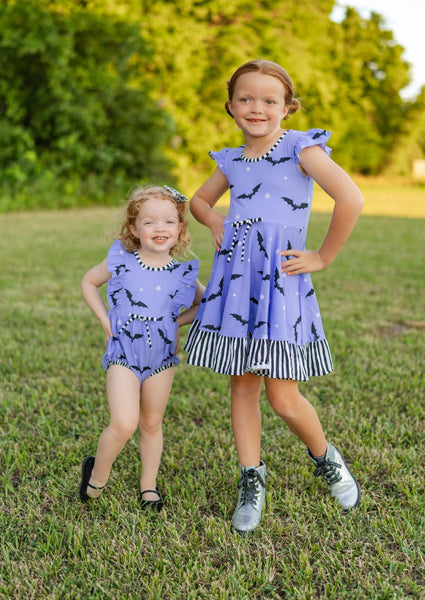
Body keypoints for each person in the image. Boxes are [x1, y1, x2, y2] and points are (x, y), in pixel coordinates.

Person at [185, 59, 364, 533]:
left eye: (269, 100)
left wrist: (323, 256)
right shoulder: (230, 161)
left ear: (287, 107)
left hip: (279, 285)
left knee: (283, 397)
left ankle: (325, 458)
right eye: (246, 98)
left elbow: (350, 198)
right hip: (237, 286)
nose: (256, 107)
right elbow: (197, 201)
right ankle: (251, 476)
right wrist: (214, 220)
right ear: (231, 106)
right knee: (242, 384)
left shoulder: (299, 148)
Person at [79, 184, 205, 511]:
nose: (159, 229)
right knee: (124, 422)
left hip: (161, 358)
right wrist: (104, 319)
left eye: (168, 222)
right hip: (123, 354)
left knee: (151, 423)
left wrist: (175, 323)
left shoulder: (183, 274)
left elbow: (205, 304)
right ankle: (97, 475)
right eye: (149, 222)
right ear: (134, 228)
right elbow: (88, 282)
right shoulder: (122, 261)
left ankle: (148, 486)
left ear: (180, 228)